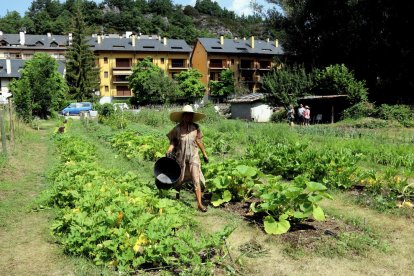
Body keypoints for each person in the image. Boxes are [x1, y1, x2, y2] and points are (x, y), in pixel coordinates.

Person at [166, 105, 209, 212]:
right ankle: (177, 197)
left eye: (190, 115)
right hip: (181, 157)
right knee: (179, 180)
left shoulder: (196, 128)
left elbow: (199, 141)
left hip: (194, 157)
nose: (188, 117)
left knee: (196, 179)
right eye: (186, 115)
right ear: (182, 116)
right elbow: (173, 142)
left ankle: (199, 204)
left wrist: (204, 154)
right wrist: (169, 150)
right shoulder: (177, 129)